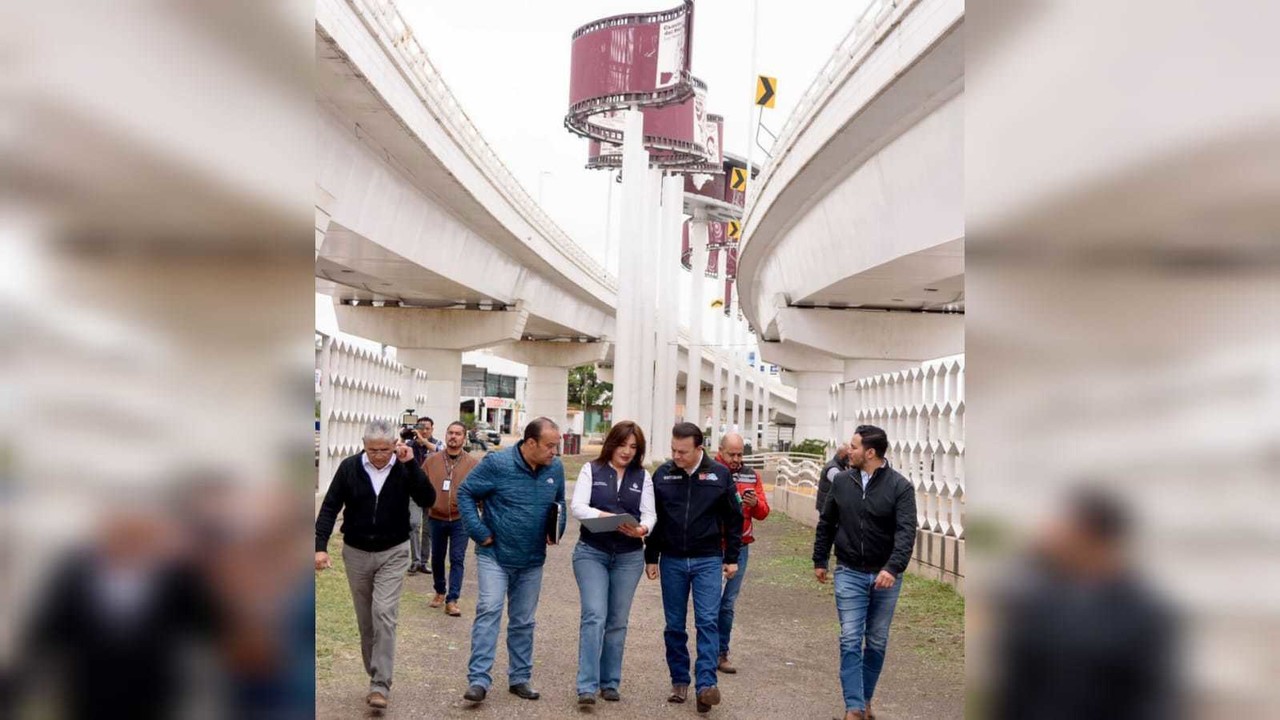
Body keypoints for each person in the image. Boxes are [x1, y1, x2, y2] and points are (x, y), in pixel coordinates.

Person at [993, 486, 1177, 719]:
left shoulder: (1143, 612)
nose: (1052, 535)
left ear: (1093, 538)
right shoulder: (1040, 600)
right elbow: (1017, 689)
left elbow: (1151, 701)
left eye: (1064, 528)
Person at [315, 419, 436, 710]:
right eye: (373, 450)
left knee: (384, 613)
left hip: (393, 551)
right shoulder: (349, 468)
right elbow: (331, 506)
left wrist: (411, 467)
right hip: (356, 552)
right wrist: (319, 547)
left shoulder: (404, 466)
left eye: (385, 449)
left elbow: (427, 498)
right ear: (364, 446)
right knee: (366, 620)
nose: (380, 455)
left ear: (395, 444)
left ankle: (380, 684)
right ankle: (374, 672)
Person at [457, 417, 567, 704]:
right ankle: (479, 680)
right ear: (530, 443)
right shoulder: (498, 464)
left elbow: (560, 502)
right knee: (489, 611)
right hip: (495, 555)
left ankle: (519, 678)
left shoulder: (554, 467)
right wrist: (479, 532)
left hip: (532, 559)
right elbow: (465, 492)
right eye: (549, 446)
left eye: (557, 446)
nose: (554, 452)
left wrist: (557, 528)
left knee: (523, 621)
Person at [812, 425, 916, 720]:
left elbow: (906, 533)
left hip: (886, 577)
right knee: (849, 638)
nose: (849, 450)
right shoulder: (842, 482)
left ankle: (866, 699)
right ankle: (854, 708)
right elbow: (827, 523)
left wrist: (892, 568)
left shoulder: (900, 487)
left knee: (877, 640)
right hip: (849, 572)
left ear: (870, 453)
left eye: (855, 446)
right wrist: (820, 560)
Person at [645, 422, 743, 714]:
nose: (677, 456)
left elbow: (734, 520)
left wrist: (732, 557)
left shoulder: (720, 474)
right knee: (674, 625)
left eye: (683, 451)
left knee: (707, 622)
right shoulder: (663, 475)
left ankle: (705, 687)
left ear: (699, 448)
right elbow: (653, 518)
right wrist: (651, 557)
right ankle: (679, 680)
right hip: (672, 559)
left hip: (708, 559)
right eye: (673, 450)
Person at [570, 421, 656, 705]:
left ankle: (610, 683)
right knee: (595, 615)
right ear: (611, 443)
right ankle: (586, 685)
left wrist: (642, 530)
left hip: (628, 557)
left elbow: (649, 515)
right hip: (592, 552)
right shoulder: (590, 470)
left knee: (617, 621)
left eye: (633, 447)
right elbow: (578, 507)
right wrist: (605, 516)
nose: (627, 451)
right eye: (622, 445)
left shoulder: (642, 477)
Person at [713, 432, 770, 674]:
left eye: (740, 454)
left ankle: (721, 652)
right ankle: (707, 651)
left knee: (727, 604)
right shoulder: (709, 471)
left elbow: (764, 512)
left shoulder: (751, 475)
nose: (736, 459)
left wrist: (754, 504)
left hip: (741, 546)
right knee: (710, 603)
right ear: (720, 450)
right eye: (731, 454)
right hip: (712, 545)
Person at [422, 421, 478, 616]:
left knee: (457, 558)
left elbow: (479, 491)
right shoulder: (432, 461)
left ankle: (452, 599)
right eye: (450, 433)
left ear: (464, 438)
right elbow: (420, 486)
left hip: (460, 519)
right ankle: (439, 591)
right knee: (437, 557)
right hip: (435, 517)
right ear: (445, 436)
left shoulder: (472, 464)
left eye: (458, 434)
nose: (453, 437)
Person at [407, 417, 443, 575]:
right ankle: (415, 561)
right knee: (414, 524)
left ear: (432, 429)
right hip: (413, 491)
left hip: (431, 491)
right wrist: (404, 437)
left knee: (428, 529)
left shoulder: (437, 444)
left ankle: (424, 561)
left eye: (427, 428)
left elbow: (443, 452)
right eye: (420, 428)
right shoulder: (409, 445)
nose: (424, 431)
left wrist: (425, 442)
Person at [816, 443, 850, 511]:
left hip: (828, 506)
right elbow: (842, 484)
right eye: (848, 454)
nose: (849, 457)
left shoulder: (839, 466)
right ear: (841, 454)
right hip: (827, 507)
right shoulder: (833, 468)